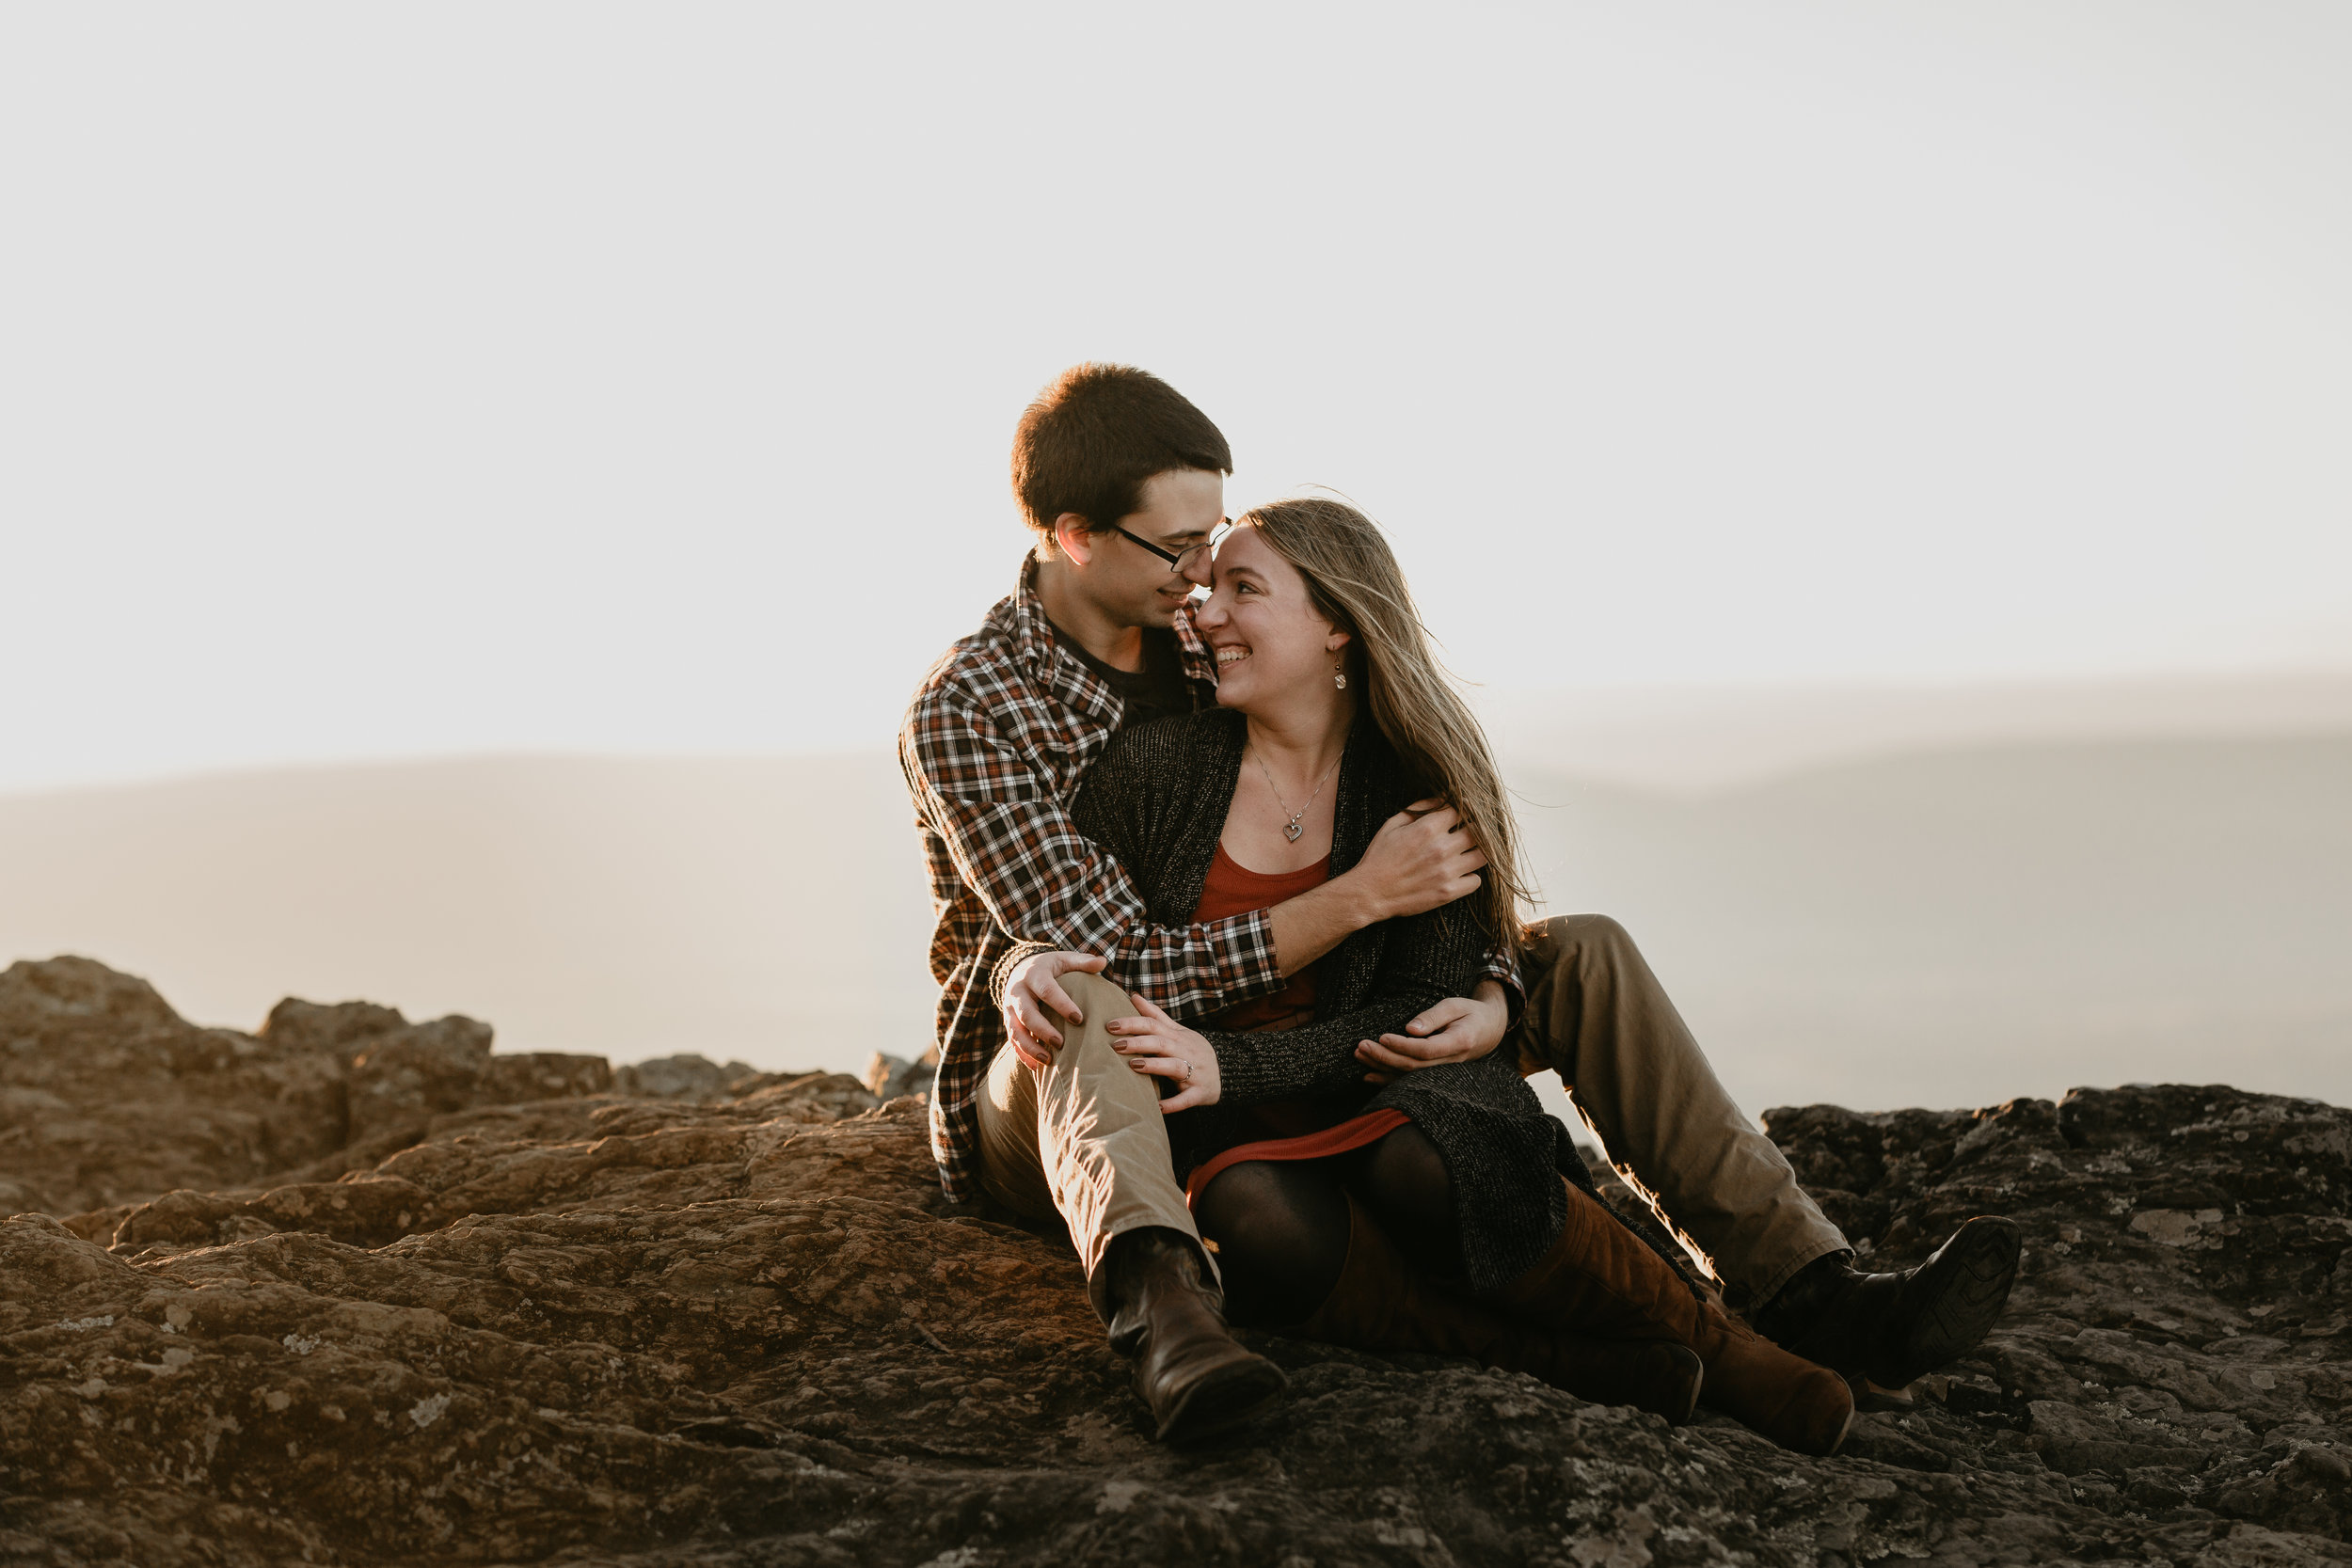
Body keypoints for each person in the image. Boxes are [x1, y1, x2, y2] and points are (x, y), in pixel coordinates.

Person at [899, 364, 1513, 1442]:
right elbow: (1118, 957)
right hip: (1055, 1091)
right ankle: (1165, 1313)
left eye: (1215, 538)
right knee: (1083, 998)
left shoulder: (1210, 641)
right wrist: (1356, 900)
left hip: (1248, 1055)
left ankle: (1807, 1284)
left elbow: (1387, 797)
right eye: (1176, 547)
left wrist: (1493, 980)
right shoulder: (970, 707)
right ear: (1076, 533)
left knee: (1580, 957)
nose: (1203, 575)